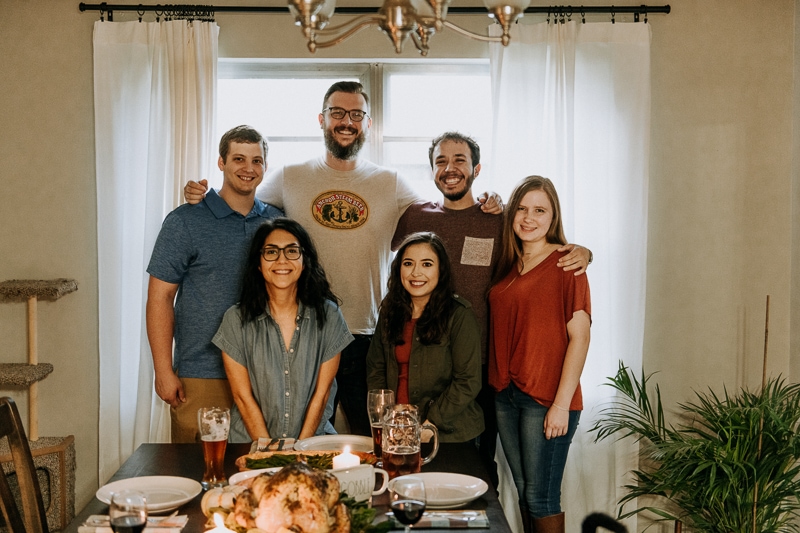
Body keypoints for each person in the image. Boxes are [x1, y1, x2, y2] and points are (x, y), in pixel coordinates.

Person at [184, 83, 502, 437]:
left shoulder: (391, 182)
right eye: (337, 113)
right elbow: (244, 203)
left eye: (356, 114)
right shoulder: (291, 176)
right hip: (306, 333)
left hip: (368, 336)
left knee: (373, 442)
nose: (346, 121)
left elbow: (442, 210)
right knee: (304, 433)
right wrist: (204, 194)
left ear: (367, 124)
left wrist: (488, 201)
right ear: (322, 119)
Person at [392, 132, 592, 485]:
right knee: (419, 461)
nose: (450, 169)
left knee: (480, 467)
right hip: (424, 362)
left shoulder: (497, 220)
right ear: (432, 170)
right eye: (441, 161)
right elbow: (396, 276)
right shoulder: (415, 216)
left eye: (459, 160)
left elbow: (538, 248)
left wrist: (583, 252)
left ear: (476, 169)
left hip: (483, 369)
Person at [146, 125, 283, 443]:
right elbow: (160, 298)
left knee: (260, 475)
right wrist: (164, 371)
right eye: (238, 159)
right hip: (202, 373)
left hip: (263, 375)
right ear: (221, 163)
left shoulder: (277, 222)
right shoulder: (185, 221)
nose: (248, 169)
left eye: (257, 161)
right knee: (199, 476)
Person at [488, 176, 591, 533]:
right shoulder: (509, 265)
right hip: (506, 393)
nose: (529, 218)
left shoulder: (567, 264)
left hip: (545, 398)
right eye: (522, 208)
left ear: (553, 217)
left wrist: (561, 404)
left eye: (540, 210)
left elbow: (580, 338)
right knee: (523, 494)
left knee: (541, 499)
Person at [212, 218, 352, 442]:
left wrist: (299, 451)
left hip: (312, 443)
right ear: (258, 263)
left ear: (304, 260)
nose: (282, 260)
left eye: (292, 251)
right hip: (250, 445)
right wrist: (270, 455)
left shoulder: (329, 315)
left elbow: (322, 394)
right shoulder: (235, 320)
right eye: (271, 252)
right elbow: (243, 397)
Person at [366, 232, 483, 443]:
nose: (416, 273)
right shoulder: (389, 311)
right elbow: (376, 368)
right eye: (408, 263)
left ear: (441, 270)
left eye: (427, 264)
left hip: (449, 433)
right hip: (396, 429)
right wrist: (392, 413)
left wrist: (431, 422)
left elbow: (468, 381)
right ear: (398, 268)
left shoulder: (459, 314)